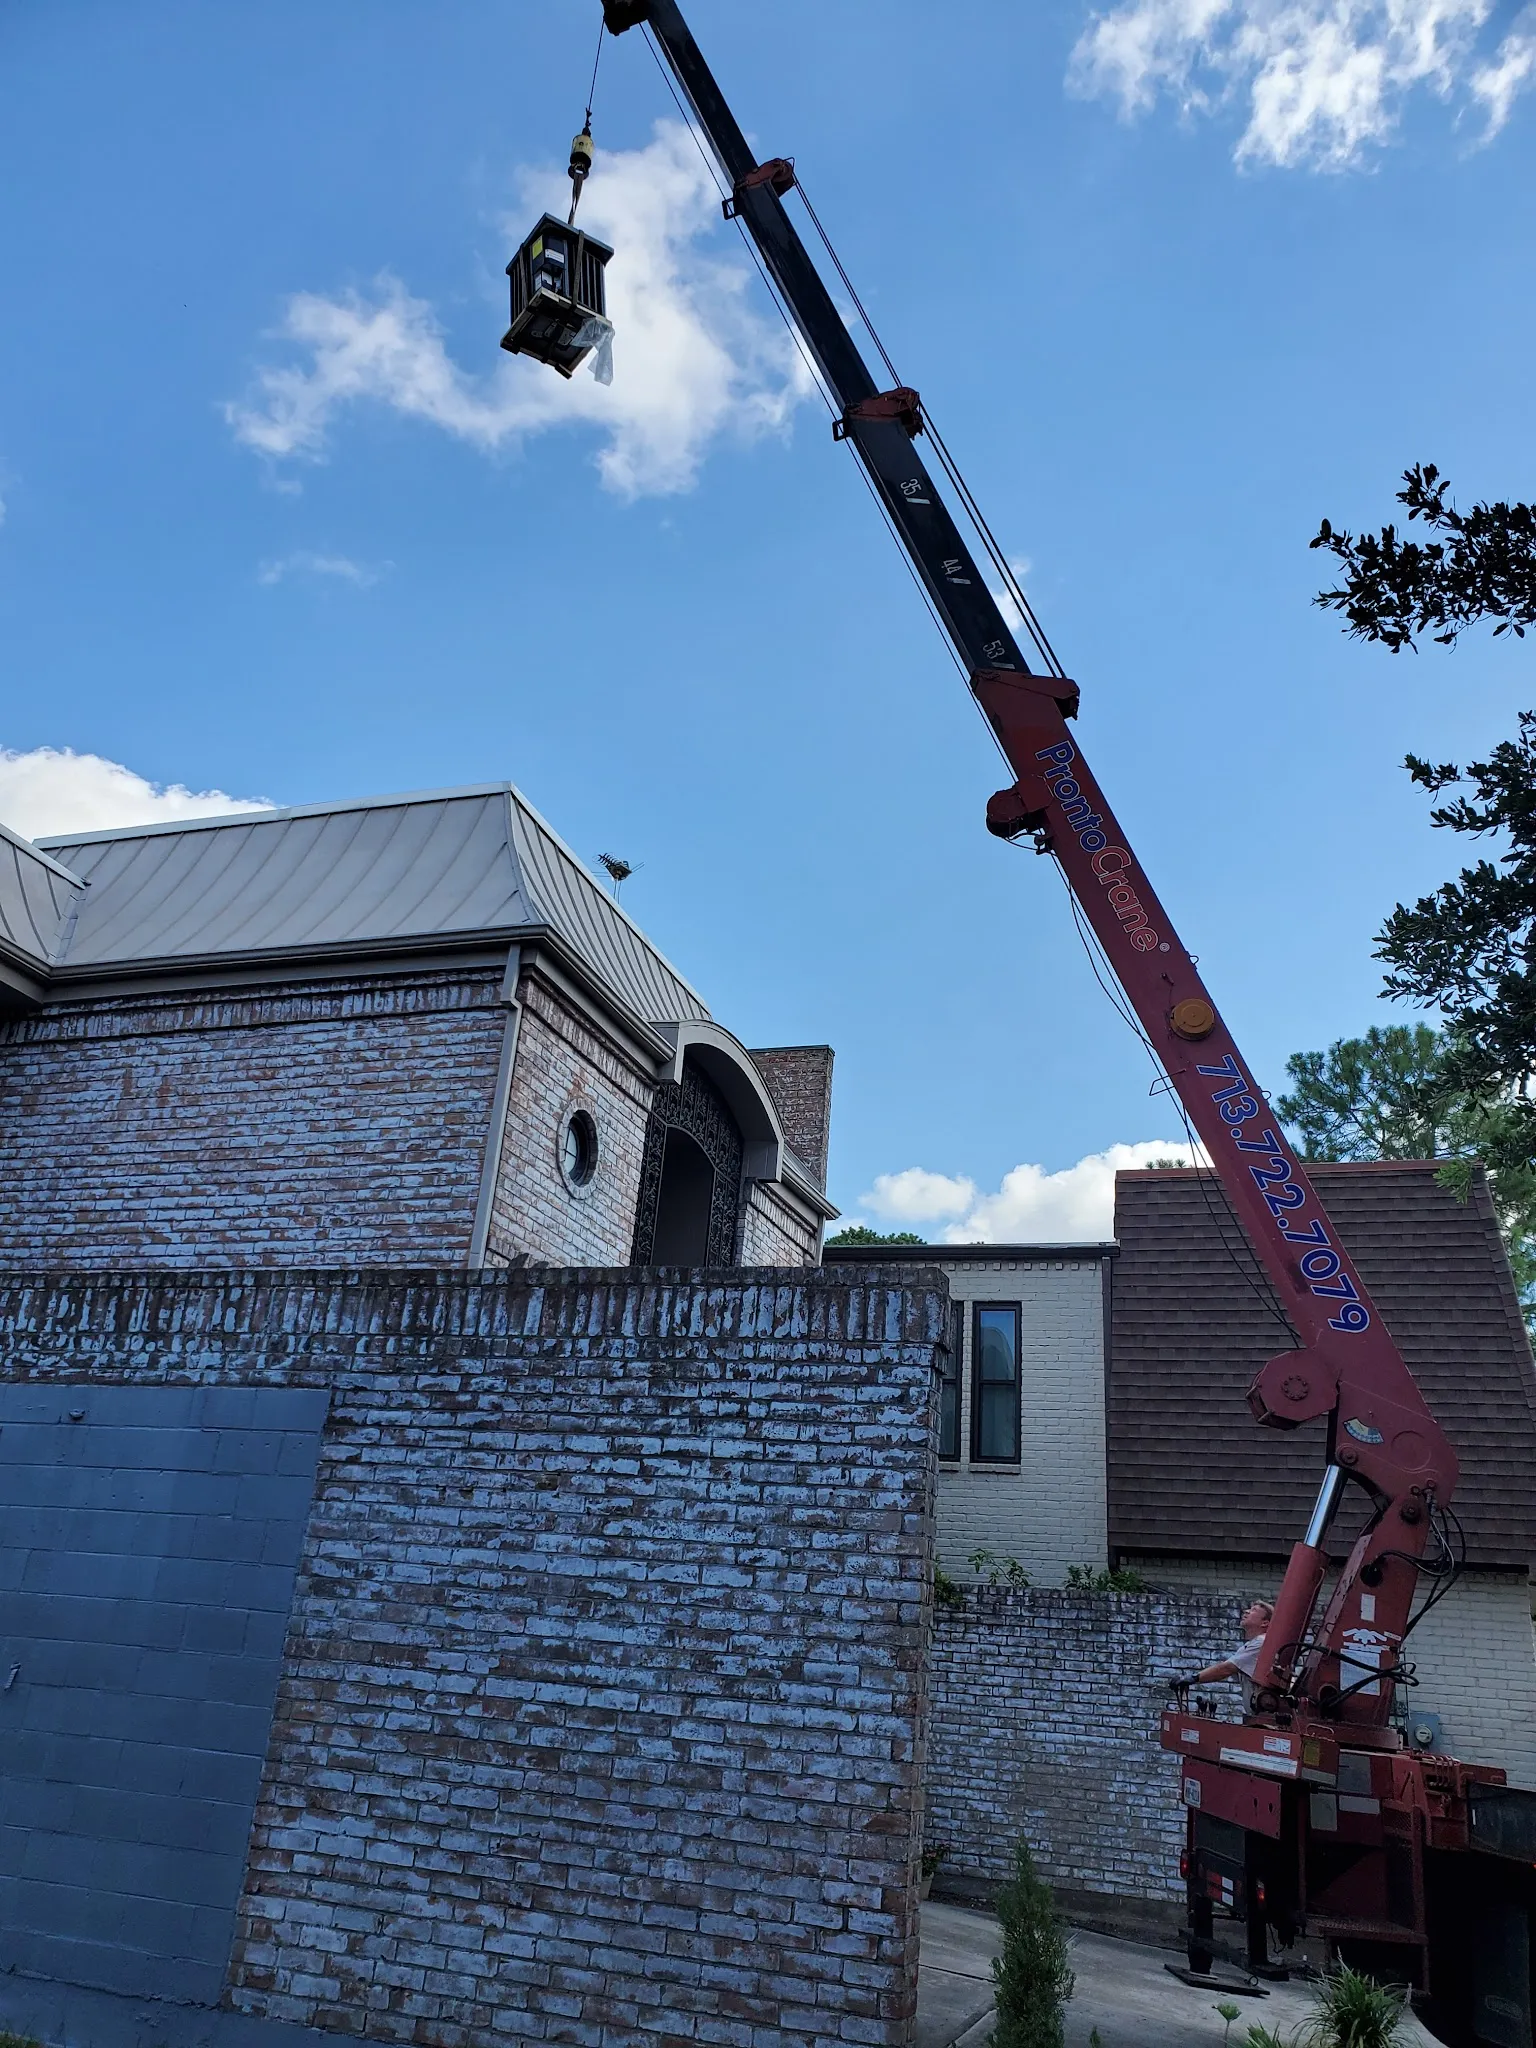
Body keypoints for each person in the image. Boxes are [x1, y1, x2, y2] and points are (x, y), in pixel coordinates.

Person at [1186, 1599, 1274, 1704]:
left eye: (1253, 1610)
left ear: (1265, 1622)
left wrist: (1194, 1678)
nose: (1246, 1611)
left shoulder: (1261, 1642)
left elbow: (1227, 1669)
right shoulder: (1254, 1643)